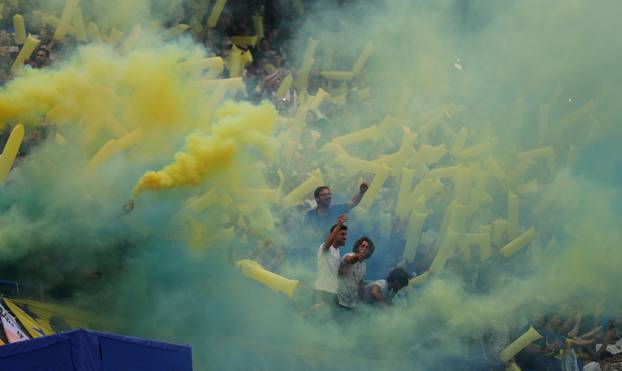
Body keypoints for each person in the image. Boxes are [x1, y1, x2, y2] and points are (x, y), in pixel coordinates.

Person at [313, 214, 348, 307]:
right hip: (323, 289)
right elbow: (328, 243)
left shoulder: (337, 250)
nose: (345, 237)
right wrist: (339, 225)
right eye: (342, 234)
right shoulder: (324, 247)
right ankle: (302, 317)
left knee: (326, 318)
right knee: (318, 316)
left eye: (346, 234)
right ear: (334, 234)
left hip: (332, 291)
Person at [304, 182, 368, 232]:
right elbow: (304, 231)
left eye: (329, 194)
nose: (328, 196)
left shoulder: (336, 208)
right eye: (324, 195)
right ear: (317, 198)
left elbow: (353, 203)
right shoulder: (310, 214)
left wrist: (361, 192)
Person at [337, 236, 375, 310]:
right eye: (362, 246)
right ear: (357, 247)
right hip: (339, 299)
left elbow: (360, 282)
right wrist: (358, 256)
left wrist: (360, 300)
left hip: (351, 303)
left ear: (369, 251)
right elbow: (349, 260)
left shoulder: (364, 265)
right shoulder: (348, 255)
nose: (364, 248)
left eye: (367, 248)